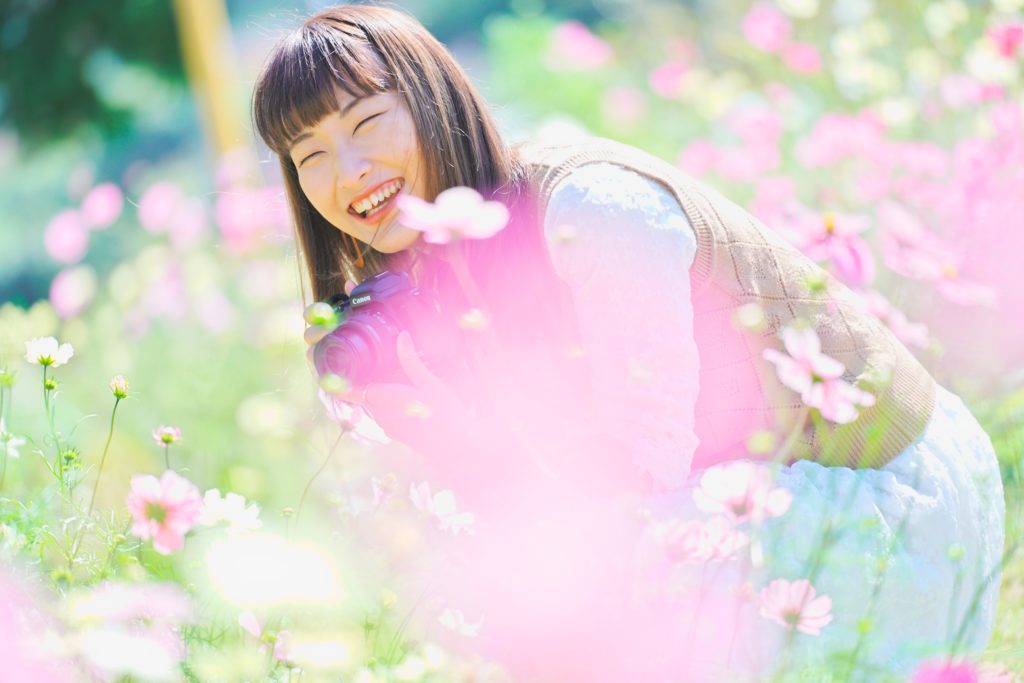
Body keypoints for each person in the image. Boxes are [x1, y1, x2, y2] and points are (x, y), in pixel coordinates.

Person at [251, 5, 1005, 680]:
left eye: (365, 122)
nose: (347, 172)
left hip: (878, 493)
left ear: (430, 98)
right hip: (724, 507)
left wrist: (469, 450)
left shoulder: (593, 211)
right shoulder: (428, 281)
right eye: (309, 155)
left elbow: (641, 493)